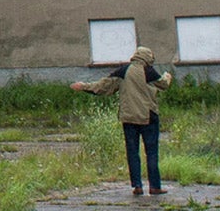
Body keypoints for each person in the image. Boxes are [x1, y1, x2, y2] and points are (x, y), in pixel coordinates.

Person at [73, 45, 173, 194]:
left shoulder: (123, 71)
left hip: (128, 118)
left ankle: (137, 186)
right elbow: (163, 85)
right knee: (151, 152)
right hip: (148, 117)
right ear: (148, 58)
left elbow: (103, 86)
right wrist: (167, 76)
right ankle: (155, 186)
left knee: (132, 152)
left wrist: (84, 86)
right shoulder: (149, 71)